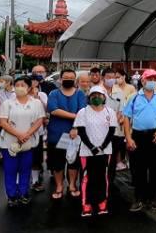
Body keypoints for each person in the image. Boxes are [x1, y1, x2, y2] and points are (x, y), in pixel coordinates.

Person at [123, 69, 156, 212]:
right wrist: (128, 138)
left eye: (155, 79)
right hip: (138, 136)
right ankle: (139, 198)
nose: (152, 82)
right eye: (149, 79)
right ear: (143, 81)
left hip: (155, 136)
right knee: (139, 169)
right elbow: (126, 118)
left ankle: (154, 198)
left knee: (155, 169)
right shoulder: (134, 97)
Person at [0, 76, 45, 207]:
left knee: (25, 169)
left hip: (28, 142)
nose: (19, 88)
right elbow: (2, 122)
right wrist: (18, 134)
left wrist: (27, 134)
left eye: (23, 85)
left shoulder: (36, 103)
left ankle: (24, 193)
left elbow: (39, 120)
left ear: (29, 88)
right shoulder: (7, 103)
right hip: (9, 142)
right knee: (10, 170)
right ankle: (12, 196)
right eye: (17, 85)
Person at [74, 85, 118, 217]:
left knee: (103, 177)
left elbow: (111, 131)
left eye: (99, 95)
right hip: (87, 151)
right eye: (93, 95)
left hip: (105, 151)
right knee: (87, 178)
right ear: (89, 97)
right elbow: (81, 132)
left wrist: (102, 147)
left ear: (104, 97)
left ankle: (102, 203)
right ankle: (86, 205)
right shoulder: (83, 112)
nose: (96, 97)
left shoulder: (110, 112)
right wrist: (92, 147)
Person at [46, 69, 87, 200]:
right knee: (57, 162)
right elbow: (53, 110)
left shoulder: (80, 94)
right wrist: (75, 116)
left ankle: (72, 185)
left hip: (74, 134)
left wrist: (75, 127)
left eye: (71, 77)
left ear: (75, 80)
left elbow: (83, 111)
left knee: (73, 162)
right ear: (60, 79)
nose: (68, 79)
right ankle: (59, 186)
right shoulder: (54, 93)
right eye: (65, 77)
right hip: (57, 134)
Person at [100, 68, 128, 183]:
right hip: (100, 131)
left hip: (114, 131)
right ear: (103, 78)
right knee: (101, 158)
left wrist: (114, 120)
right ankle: (101, 182)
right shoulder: (97, 92)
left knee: (112, 159)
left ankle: (110, 182)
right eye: (108, 77)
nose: (111, 79)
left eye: (113, 77)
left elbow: (121, 111)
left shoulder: (119, 92)